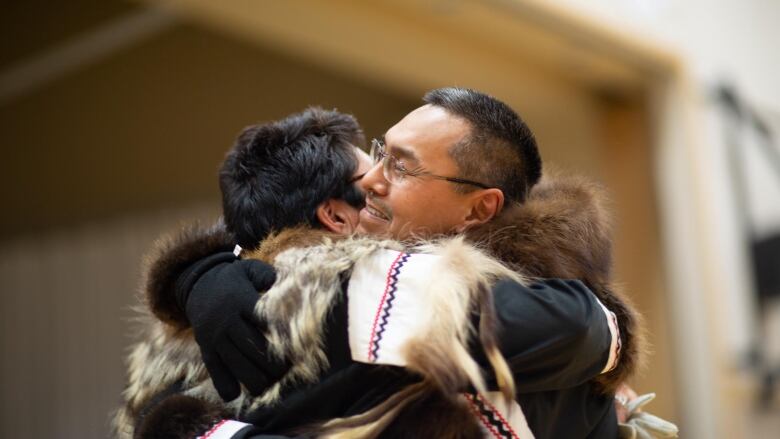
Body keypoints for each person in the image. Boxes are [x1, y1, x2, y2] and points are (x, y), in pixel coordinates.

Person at [116, 89, 641, 438]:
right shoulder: (297, 293)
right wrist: (205, 274)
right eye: (379, 153)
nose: (373, 181)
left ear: (480, 208)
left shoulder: (534, 299)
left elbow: (580, 328)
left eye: (400, 166)